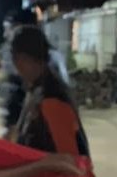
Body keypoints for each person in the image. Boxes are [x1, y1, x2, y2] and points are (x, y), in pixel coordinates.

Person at [10, 25, 92, 164]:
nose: (17, 66)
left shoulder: (52, 99)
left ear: (30, 59)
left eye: (18, 59)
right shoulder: (37, 89)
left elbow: (70, 162)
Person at [1, 7, 70, 141]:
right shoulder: (37, 85)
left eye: (9, 29)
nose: (5, 35)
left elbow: (68, 155)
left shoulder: (50, 97)